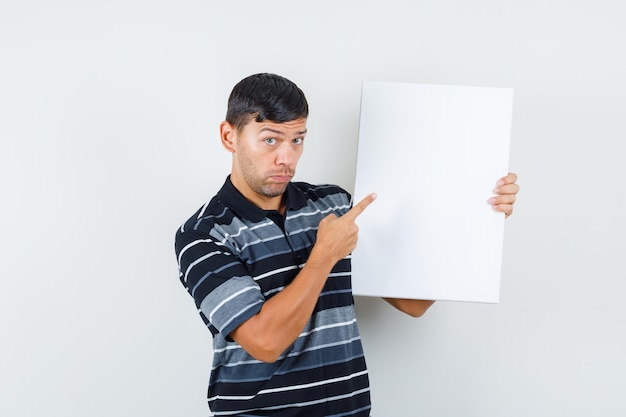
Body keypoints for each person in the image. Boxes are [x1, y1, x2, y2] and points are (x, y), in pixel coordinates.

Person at [174, 73, 519, 417]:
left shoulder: (334, 205)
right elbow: (266, 343)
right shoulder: (203, 234)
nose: (287, 158)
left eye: (297, 140)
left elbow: (413, 303)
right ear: (228, 136)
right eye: (270, 140)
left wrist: (478, 222)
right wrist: (323, 256)